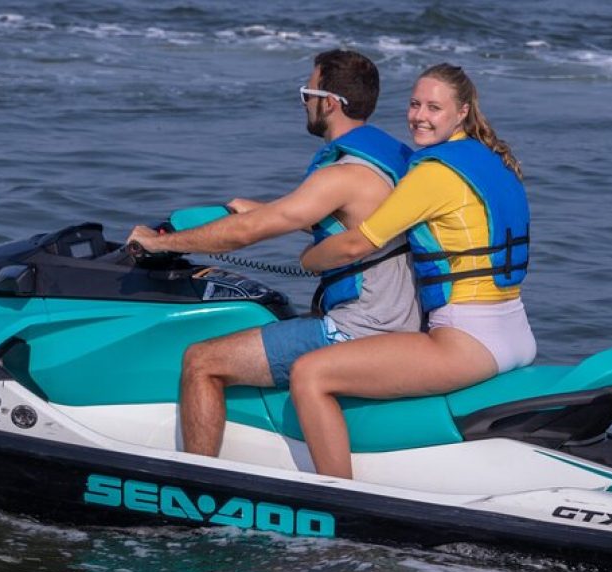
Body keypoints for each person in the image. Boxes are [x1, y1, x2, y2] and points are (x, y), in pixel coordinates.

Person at [128, 49, 421, 457]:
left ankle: (195, 486)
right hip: (400, 316)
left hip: (363, 325)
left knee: (201, 361)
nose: (303, 103)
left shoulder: (343, 173)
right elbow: (353, 223)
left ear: (330, 102)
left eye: (306, 93)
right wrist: (267, 210)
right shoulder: (391, 159)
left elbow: (244, 234)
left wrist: (158, 243)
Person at [290, 63, 537, 479]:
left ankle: (338, 499)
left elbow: (356, 242)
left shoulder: (432, 174)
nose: (419, 116)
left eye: (434, 108)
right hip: (514, 330)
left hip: (466, 339)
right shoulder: (488, 159)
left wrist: (307, 260)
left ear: (461, 112)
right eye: (414, 104)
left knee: (309, 373)